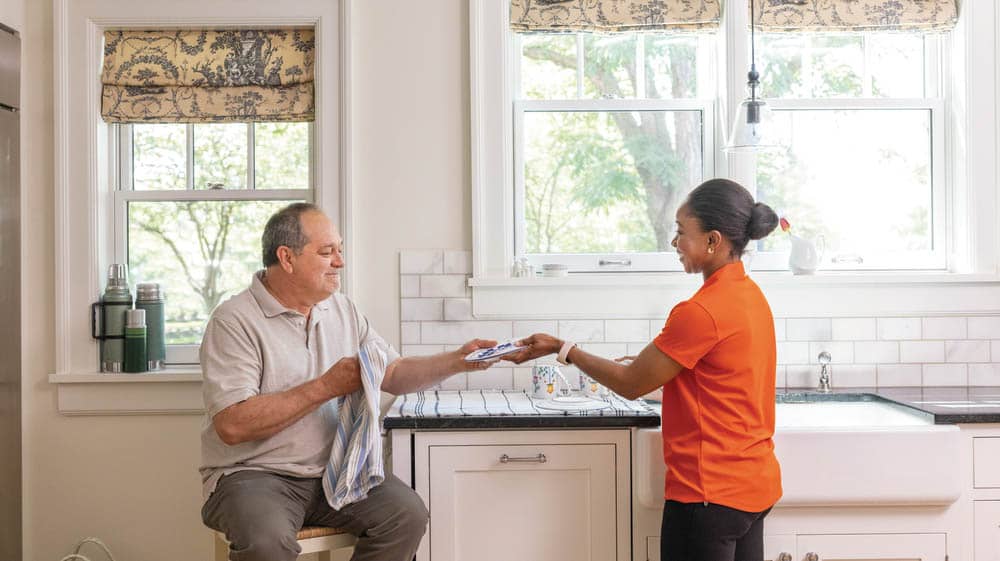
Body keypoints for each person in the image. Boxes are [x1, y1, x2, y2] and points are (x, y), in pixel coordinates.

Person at [199, 202, 496, 561]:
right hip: (254, 475)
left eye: (340, 250)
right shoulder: (234, 321)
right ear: (286, 257)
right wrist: (325, 386)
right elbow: (233, 425)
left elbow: (393, 373)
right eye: (327, 252)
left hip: (337, 470)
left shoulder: (342, 309)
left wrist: (458, 360)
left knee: (405, 515)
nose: (340, 261)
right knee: (267, 543)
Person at [504, 178, 783, 561]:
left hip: (709, 496)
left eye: (682, 232)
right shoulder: (751, 298)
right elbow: (717, 376)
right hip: (753, 490)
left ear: (713, 241)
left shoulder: (700, 311)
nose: (674, 243)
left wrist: (563, 348)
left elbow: (631, 384)